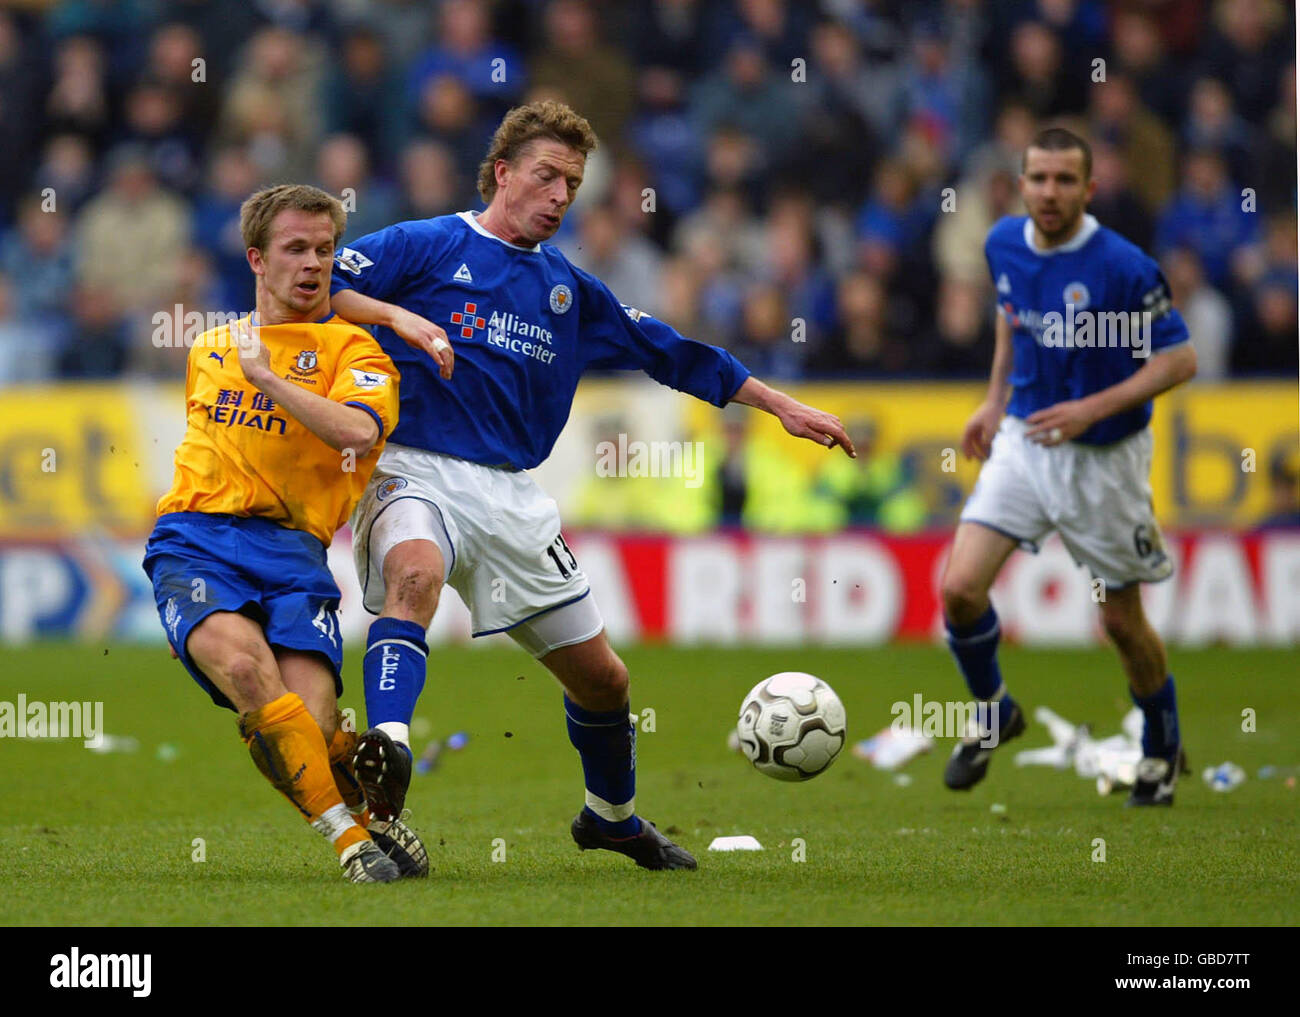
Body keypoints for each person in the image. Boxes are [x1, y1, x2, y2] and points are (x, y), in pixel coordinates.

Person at [329, 100, 854, 869]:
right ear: (502, 173)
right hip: (414, 464)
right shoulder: (428, 243)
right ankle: (390, 754)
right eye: (545, 176)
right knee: (416, 571)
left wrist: (779, 404)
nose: (558, 196)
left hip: (511, 496)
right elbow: (323, 285)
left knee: (604, 679)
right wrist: (399, 320)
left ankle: (611, 816)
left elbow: (668, 351)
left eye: (571, 185)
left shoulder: (569, 291)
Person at [142, 184, 419, 882]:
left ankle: (353, 786)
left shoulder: (356, 350)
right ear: (257, 259)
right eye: (297, 248)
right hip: (196, 540)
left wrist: (269, 379)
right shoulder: (210, 347)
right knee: (244, 672)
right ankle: (351, 845)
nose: (314, 263)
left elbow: (358, 431)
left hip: (295, 552)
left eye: (325, 250)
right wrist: (192, 614)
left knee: (317, 730)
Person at [942, 127, 1197, 806]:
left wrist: (1091, 408)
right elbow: (1010, 316)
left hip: (1103, 457)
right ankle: (994, 707)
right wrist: (994, 400)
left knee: (1119, 621)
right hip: (1026, 440)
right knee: (959, 589)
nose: (1049, 192)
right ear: (1020, 184)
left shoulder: (1123, 266)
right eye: (1038, 178)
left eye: (1064, 180)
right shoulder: (1002, 243)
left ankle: (1161, 747)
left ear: (1088, 188)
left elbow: (1180, 359)